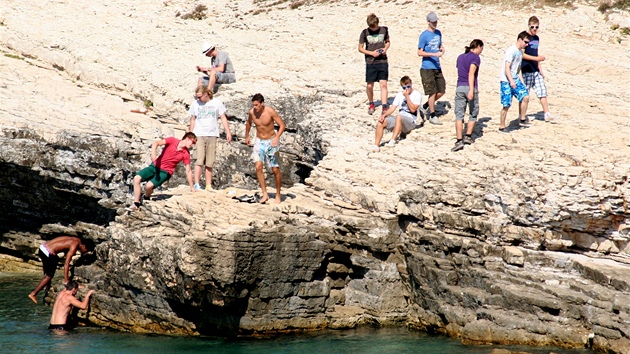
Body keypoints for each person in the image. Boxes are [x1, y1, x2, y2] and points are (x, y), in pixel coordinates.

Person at [128, 132, 198, 211]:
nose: (193, 145)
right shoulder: (172, 140)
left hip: (165, 172)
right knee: (137, 178)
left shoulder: (186, 154)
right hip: (154, 166)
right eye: (193, 142)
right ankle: (136, 204)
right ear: (187, 139)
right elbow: (156, 143)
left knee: (148, 186)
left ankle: (146, 197)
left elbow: (188, 170)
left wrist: (192, 187)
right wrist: (153, 155)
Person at [189, 85, 232, 191]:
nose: (198, 99)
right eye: (197, 97)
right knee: (199, 159)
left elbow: (223, 117)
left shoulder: (217, 102)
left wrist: (228, 132)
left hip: (212, 134)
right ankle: (197, 184)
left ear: (206, 94)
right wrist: (190, 134)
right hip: (199, 134)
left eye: (199, 97)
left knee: (210, 161)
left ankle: (208, 185)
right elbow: (193, 119)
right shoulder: (195, 104)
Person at [245, 93, 286, 204]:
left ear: (262, 104)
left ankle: (278, 194)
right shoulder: (252, 112)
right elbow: (248, 123)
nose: (255, 107)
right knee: (258, 167)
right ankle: (265, 194)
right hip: (259, 141)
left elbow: (282, 125)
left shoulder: (270, 111)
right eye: (253, 105)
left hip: (271, 141)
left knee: (275, 169)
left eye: (257, 105)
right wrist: (247, 135)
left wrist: (277, 138)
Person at [28, 236, 93, 304]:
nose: (85, 252)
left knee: (54, 261)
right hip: (47, 252)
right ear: (84, 246)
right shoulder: (74, 246)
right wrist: (66, 280)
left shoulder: (77, 239)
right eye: (86, 250)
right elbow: (66, 263)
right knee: (49, 276)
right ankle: (33, 294)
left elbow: (64, 244)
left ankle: (47, 287)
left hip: (43, 247)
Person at [371, 76, 422, 152]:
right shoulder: (399, 95)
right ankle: (376, 145)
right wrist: (383, 115)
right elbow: (392, 108)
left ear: (411, 84)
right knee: (381, 122)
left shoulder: (417, 95)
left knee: (399, 117)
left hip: (411, 120)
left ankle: (392, 140)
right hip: (400, 119)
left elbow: (413, 109)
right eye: (404, 87)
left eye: (408, 86)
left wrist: (407, 97)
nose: (407, 89)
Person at [452, 39, 484, 152]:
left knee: (459, 114)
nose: (481, 51)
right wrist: (471, 90)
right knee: (473, 112)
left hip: (459, 87)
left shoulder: (460, 57)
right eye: (481, 49)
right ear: (478, 47)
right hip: (469, 87)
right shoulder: (475, 58)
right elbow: (471, 73)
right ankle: (468, 136)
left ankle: (459, 140)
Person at [521, 16, 554, 122]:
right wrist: (536, 58)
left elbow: (535, 52)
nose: (535, 29)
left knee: (542, 91)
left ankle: (547, 113)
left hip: (535, 70)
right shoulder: (524, 37)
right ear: (529, 26)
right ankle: (521, 116)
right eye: (533, 27)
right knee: (524, 95)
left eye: (537, 27)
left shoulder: (536, 38)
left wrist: (539, 67)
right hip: (526, 69)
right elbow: (521, 54)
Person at [358, 13, 390, 115]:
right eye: (371, 27)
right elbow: (360, 48)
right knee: (370, 86)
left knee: (383, 84)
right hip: (370, 61)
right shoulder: (364, 33)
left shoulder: (384, 30)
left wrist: (384, 49)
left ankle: (384, 106)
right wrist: (371, 53)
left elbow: (388, 42)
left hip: (382, 61)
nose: (373, 28)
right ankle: (371, 103)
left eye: (374, 26)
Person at [417, 12, 446, 125]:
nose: (435, 23)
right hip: (427, 67)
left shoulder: (438, 33)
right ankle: (432, 115)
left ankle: (425, 106)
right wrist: (434, 55)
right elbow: (420, 52)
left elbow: (439, 45)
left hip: (437, 66)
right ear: (428, 22)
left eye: (436, 21)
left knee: (441, 90)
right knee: (432, 92)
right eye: (433, 22)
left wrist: (441, 49)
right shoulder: (424, 35)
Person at [499, 31, 531, 132]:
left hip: (515, 79)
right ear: (519, 40)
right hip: (506, 80)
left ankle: (522, 118)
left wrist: (520, 80)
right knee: (506, 104)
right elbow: (507, 67)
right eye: (525, 42)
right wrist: (511, 81)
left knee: (525, 96)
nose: (526, 45)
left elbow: (517, 69)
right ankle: (502, 126)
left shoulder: (520, 52)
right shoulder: (511, 51)